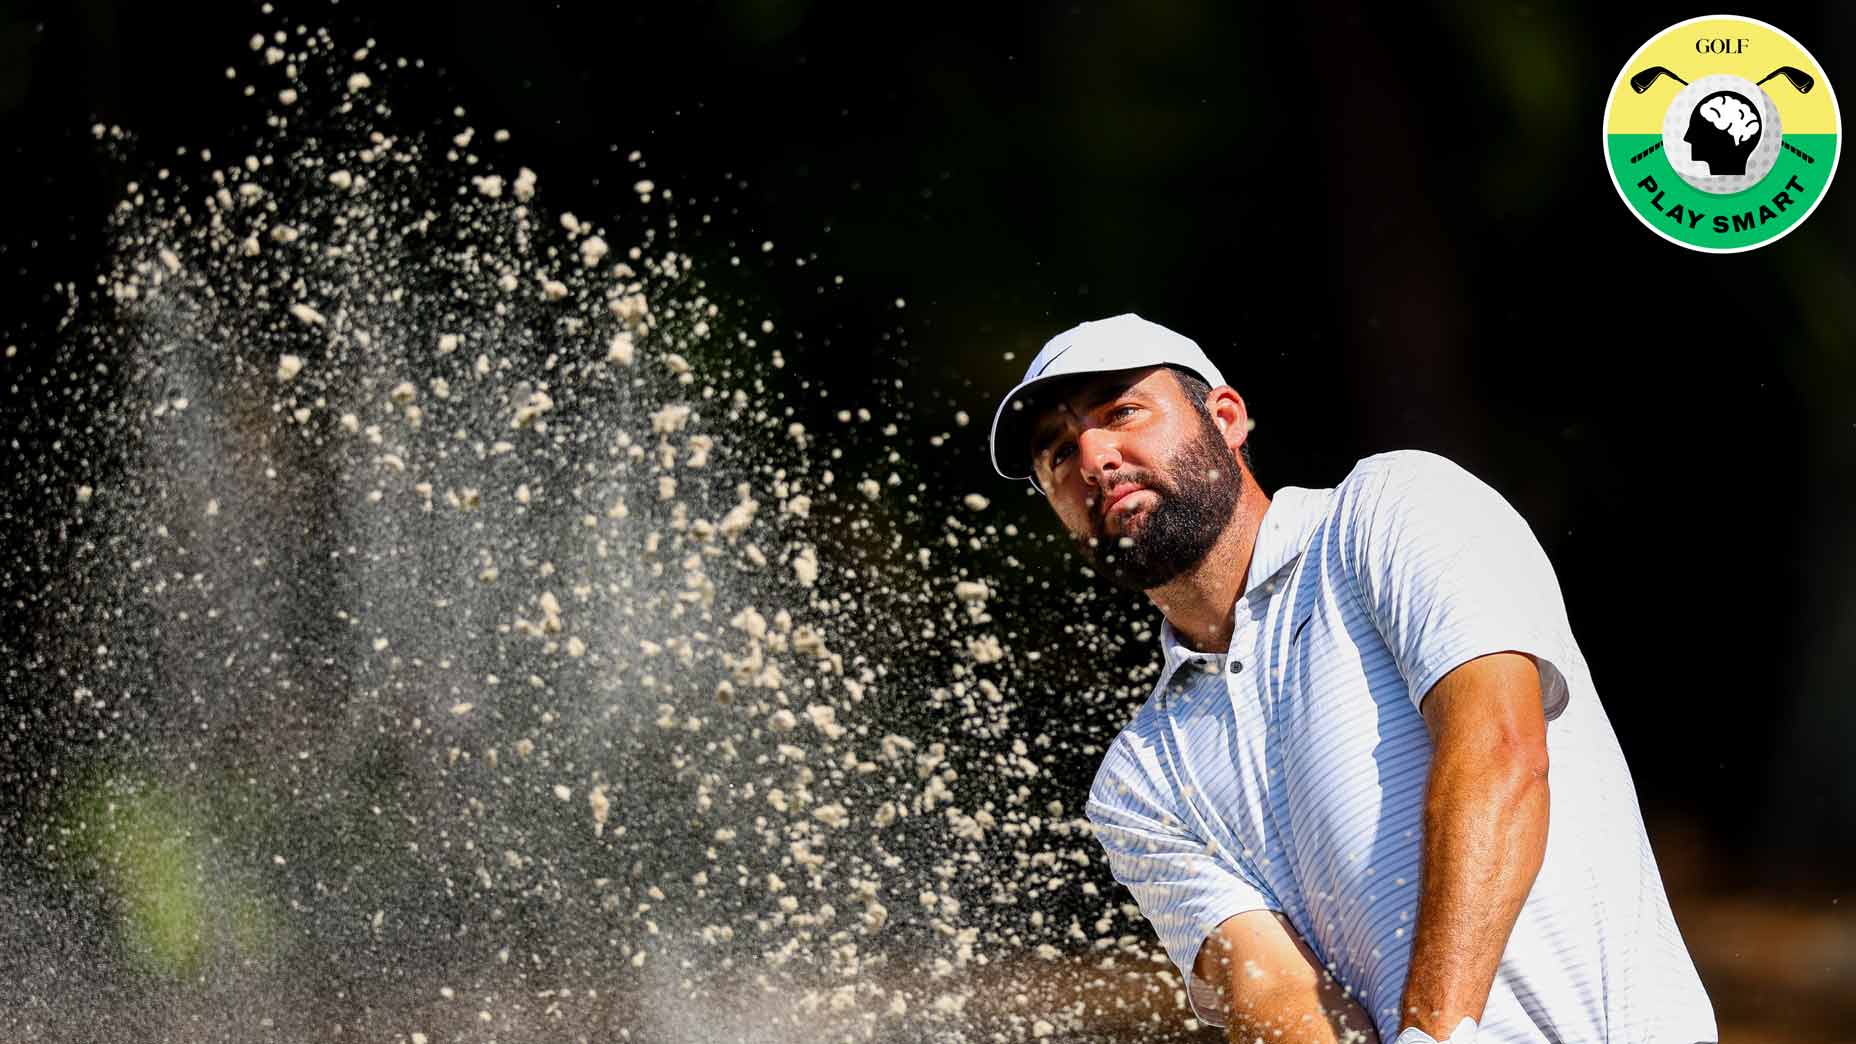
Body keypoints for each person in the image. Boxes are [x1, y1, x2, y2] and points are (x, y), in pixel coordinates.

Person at [988, 314, 1717, 1043]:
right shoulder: (1138, 779)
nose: (1093, 457)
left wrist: (1435, 1037)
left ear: (1227, 417)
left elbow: (1499, 754)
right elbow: (1271, 991)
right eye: (1056, 454)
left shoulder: (1394, 510)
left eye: (1122, 412)